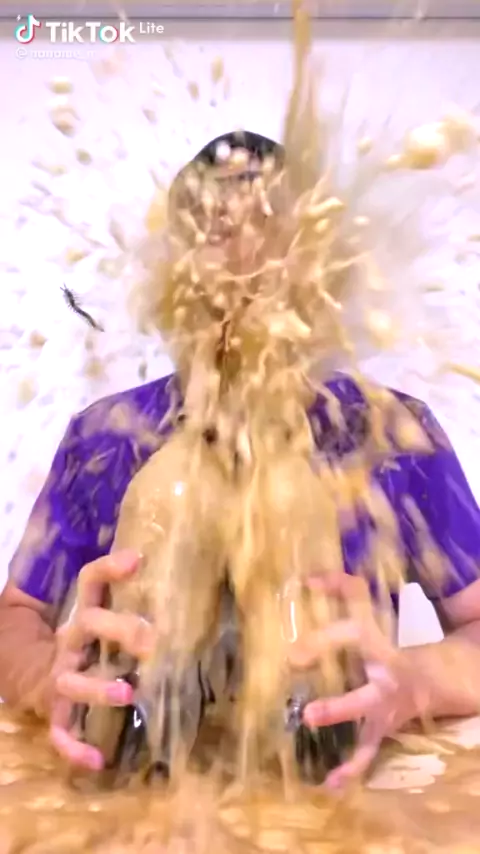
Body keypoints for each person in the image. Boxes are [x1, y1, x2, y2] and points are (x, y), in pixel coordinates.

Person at [1, 130, 480, 790]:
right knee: (175, 493)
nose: (240, 285)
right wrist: (44, 676)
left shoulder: (392, 435)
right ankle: (145, 727)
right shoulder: (105, 439)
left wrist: (413, 681)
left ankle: (306, 728)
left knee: (286, 504)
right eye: (214, 245)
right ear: (173, 288)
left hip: (332, 798)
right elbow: (16, 617)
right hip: (135, 805)